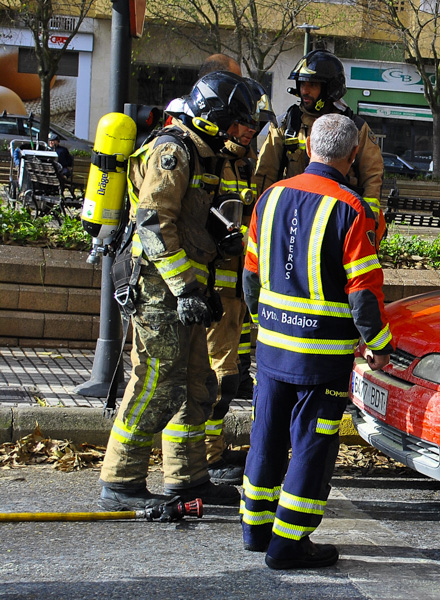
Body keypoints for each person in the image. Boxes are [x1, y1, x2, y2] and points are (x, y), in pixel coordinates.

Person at [98, 71, 261, 510]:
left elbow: (188, 219)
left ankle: (187, 479)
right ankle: (121, 480)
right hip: (158, 288)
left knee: (196, 384)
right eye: (239, 122)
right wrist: (184, 287)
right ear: (214, 118)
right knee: (156, 383)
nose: (246, 131)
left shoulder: (209, 153)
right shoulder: (174, 149)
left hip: (191, 287)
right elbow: (153, 222)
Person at [240, 113, 393, 570]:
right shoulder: (352, 209)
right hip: (321, 358)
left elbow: (250, 276)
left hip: (271, 348)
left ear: (308, 147)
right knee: (312, 443)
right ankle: (289, 543)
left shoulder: (269, 197)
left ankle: (256, 528)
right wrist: (380, 344)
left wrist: (265, 325)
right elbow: (363, 292)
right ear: (350, 157)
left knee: (265, 434)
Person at [201, 76, 276, 486]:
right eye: (245, 124)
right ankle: (205, 458)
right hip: (216, 289)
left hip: (236, 290)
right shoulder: (210, 159)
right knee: (218, 376)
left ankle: (209, 454)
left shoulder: (237, 161)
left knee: (228, 375)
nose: (252, 131)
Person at [253, 49, 386, 244]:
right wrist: (262, 218)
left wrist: (368, 222)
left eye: (312, 85)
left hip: (339, 219)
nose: (304, 91)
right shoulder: (286, 125)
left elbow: (373, 177)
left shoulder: (355, 128)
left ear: (330, 88)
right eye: (302, 84)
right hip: (293, 217)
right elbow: (264, 175)